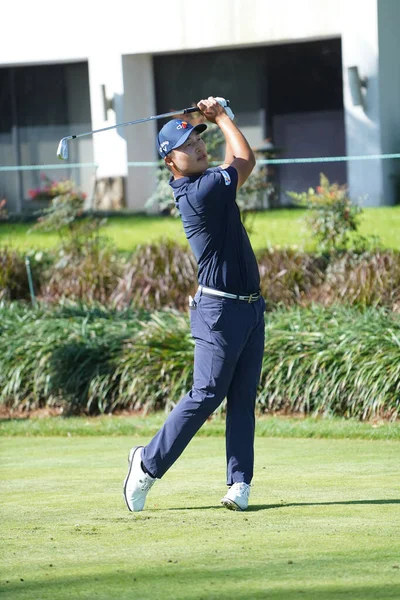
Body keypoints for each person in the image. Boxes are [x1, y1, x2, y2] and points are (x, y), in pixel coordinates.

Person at [123, 96, 265, 512]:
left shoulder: (208, 183)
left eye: (199, 139)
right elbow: (245, 159)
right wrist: (221, 117)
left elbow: (234, 159)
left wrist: (218, 119)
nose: (198, 147)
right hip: (218, 312)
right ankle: (146, 464)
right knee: (206, 393)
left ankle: (239, 483)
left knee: (242, 398)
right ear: (171, 162)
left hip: (251, 308)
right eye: (188, 146)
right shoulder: (198, 192)